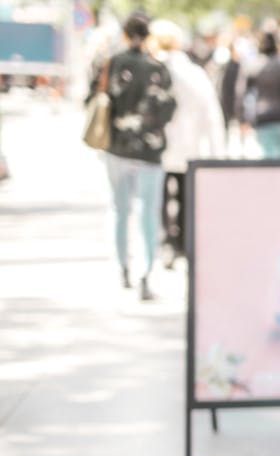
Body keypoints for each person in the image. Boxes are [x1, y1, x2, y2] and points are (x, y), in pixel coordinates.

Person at [88, 12, 177, 300]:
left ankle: (123, 267)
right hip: (149, 151)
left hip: (117, 147)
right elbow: (168, 109)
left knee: (120, 210)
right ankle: (145, 272)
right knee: (148, 215)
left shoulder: (112, 63)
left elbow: (96, 99)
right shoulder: (158, 69)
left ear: (125, 34)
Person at [149, 19, 225, 268]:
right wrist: (216, 151)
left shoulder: (152, 69)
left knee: (158, 196)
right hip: (189, 146)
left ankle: (165, 242)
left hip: (157, 147)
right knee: (185, 195)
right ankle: (182, 242)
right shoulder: (193, 71)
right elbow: (211, 113)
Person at [244, 32, 280, 159]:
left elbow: (245, 95)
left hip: (263, 119)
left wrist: (244, 119)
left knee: (269, 158)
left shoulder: (254, 67)